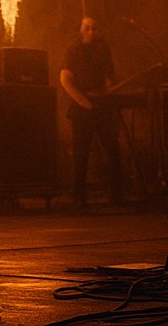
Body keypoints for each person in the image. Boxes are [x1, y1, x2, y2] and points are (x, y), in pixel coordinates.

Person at [59, 16, 125, 209]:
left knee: (113, 150)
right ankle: (80, 198)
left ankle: (117, 196)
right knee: (81, 154)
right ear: (81, 29)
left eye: (94, 28)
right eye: (88, 28)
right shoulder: (73, 49)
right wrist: (83, 102)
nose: (91, 32)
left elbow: (109, 75)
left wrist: (108, 85)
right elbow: (65, 79)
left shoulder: (103, 48)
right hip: (82, 107)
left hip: (102, 104)